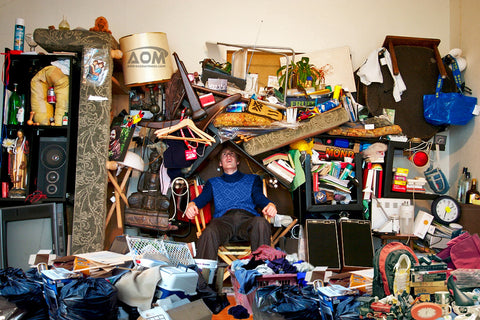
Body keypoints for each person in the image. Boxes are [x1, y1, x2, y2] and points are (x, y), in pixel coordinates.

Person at [185, 145, 277, 260]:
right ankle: (203, 276)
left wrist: (269, 204)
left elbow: (259, 197)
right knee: (209, 231)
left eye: (232, 153)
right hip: (223, 222)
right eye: (224, 154)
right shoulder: (213, 182)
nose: (228, 156)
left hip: (247, 220)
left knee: (261, 223)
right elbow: (202, 199)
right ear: (220, 163)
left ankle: (262, 272)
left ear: (238, 161)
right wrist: (192, 204)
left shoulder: (252, 179)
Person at [9, 129, 29, 197]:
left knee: (21, 171)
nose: (19, 135)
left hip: (22, 157)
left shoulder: (25, 142)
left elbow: (27, 151)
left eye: (20, 134)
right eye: (18, 134)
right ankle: (15, 186)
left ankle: (21, 186)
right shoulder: (16, 141)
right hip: (16, 158)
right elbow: (13, 149)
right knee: (15, 170)